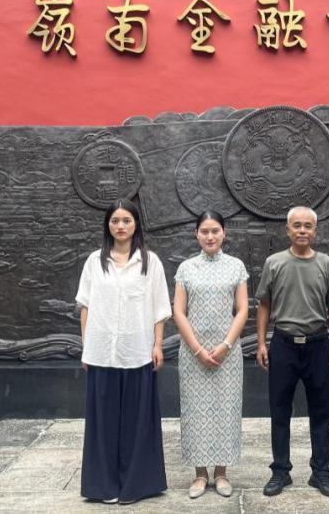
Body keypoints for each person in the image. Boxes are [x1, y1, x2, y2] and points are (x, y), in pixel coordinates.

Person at [75, 199, 172, 505]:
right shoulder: (95, 262)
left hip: (137, 351)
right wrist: (86, 346)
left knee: (136, 422)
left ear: (136, 224)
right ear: (108, 225)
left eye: (126, 220)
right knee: (102, 423)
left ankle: (135, 486)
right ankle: (104, 487)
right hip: (102, 351)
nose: (120, 226)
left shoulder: (150, 262)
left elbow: (160, 308)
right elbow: (85, 306)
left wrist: (157, 344)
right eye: (115, 220)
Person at [255, 205, 329, 498]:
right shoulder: (274, 263)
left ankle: (321, 472)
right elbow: (264, 304)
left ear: (315, 231)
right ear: (288, 230)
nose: (302, 230)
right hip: (283, 345)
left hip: (317, 345)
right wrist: (261, 343)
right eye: (297, 225)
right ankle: (280, 471)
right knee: (280, 411)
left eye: (308, 226)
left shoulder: (327, 265)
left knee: (321, 412)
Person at [172, 210, 249, 499]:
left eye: (215, 230)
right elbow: (179, 311)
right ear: (196, 234)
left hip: (227, 353)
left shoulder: (236, 267)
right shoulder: (186, 268)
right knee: (195, 411)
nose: (210, 236)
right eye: (204, 231)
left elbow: (242, 310)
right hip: (193, 354)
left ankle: (221, 472)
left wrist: (226, 345)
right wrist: (197, 349)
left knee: (226, 410)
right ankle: (200, 474)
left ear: (224, 233)